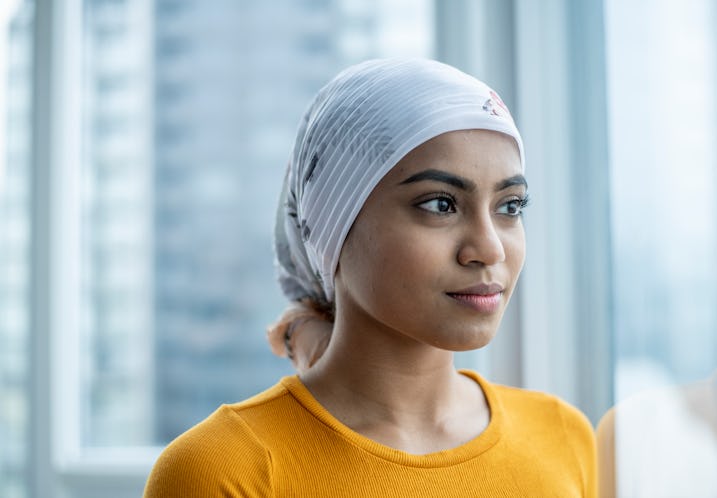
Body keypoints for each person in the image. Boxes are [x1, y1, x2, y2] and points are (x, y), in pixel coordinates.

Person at [144, 58, 597, 497]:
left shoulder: (564, 437)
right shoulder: (221, 472)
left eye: (510, 206)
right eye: (440, 204)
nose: (491, 249)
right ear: (331, 226)